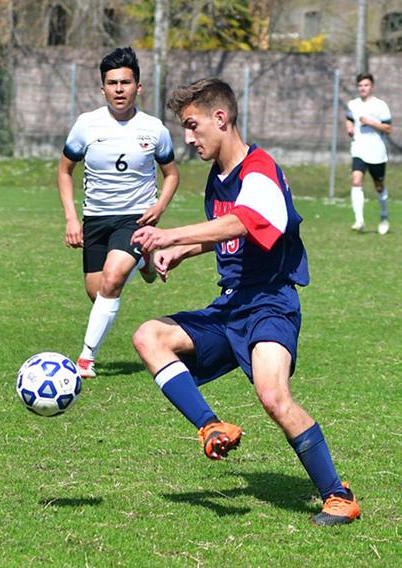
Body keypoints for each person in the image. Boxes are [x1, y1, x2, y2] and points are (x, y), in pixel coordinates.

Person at [130, 78, 360, 526]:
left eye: (193, 126)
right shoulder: (218, 181)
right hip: (230, 307)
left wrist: (171, 234)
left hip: (271, 303)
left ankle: (338, 494)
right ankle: (210, 426)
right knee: (149, 336)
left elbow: (251, 220)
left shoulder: (260, 168)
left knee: (273, 397)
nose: (189, 138)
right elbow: (229, 234)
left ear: (222, 118)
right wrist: (184, 251)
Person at [57, 47, 179, 379]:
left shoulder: (154, 129)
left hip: (136, 218)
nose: (119, 89)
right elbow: (65, 171)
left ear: (138, 87)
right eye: (112, 83)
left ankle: (85, 358)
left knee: (112, 280)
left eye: (126, 82)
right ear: (103, 88)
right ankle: (145, 262)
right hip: (96, 219)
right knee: (98, 293)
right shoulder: (86, 125)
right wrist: (71, 217)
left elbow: (172, 174)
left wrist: (159, 206)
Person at [346, 73, 391, 235]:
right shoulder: (353, 104)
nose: (363, 88)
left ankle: (384, 216)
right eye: (360, 85)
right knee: (356, 181)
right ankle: (359, 220)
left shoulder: (380, 105)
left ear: (371, 87)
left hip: (376, 152)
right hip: (359, 149)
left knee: (379, 187)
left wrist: (371, 122)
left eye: (366, 85)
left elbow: (388, 128)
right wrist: (350, 127)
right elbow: (349, 118)